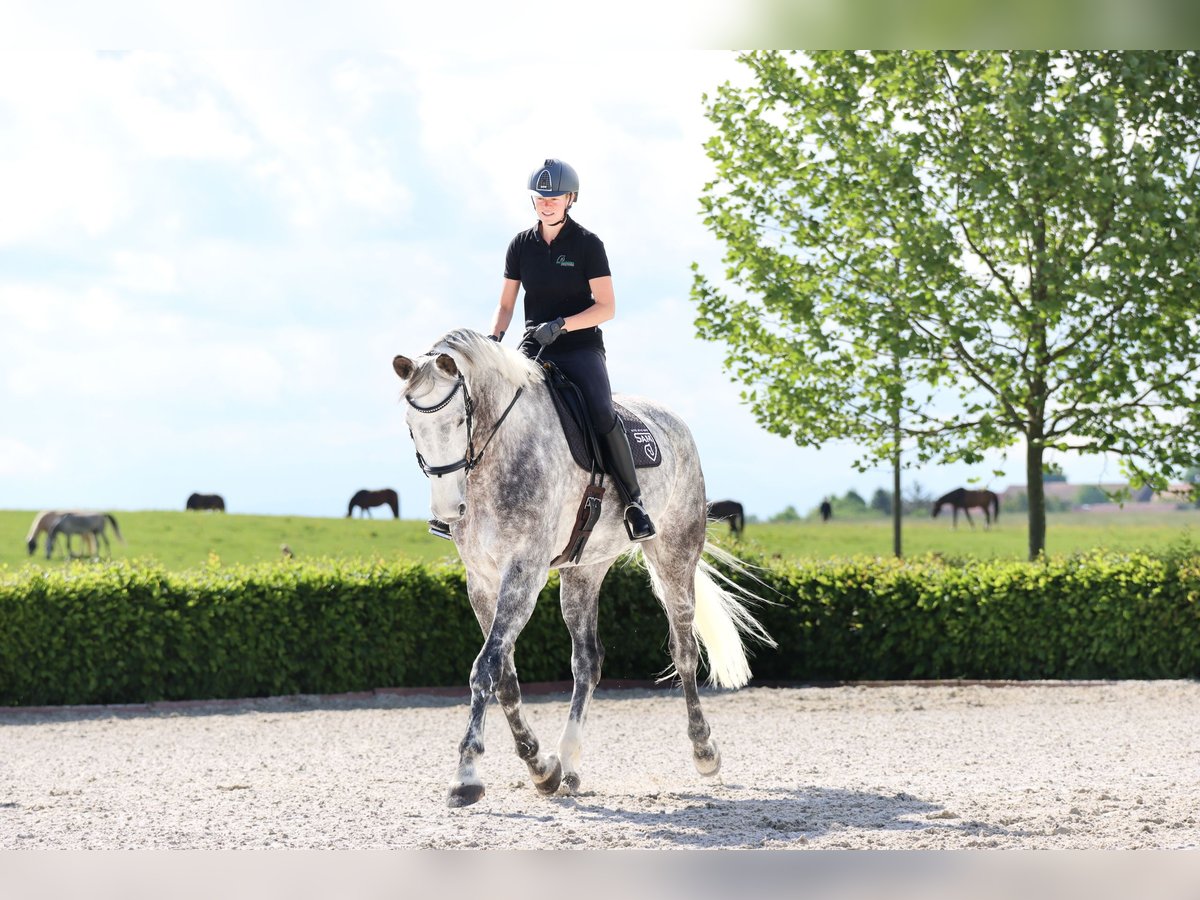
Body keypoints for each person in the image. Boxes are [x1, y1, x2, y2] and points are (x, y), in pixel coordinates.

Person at [429, 158, 655, 543]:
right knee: (485, 407)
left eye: (554, 197)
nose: (547, 203)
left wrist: (563, 324)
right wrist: (494, 341)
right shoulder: (520, 245)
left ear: (571, 199)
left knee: (601, 412)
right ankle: (455, 509)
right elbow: (505, 305)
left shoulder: (588, 245)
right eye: (540, 197)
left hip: (580, 348)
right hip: (533, 347)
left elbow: (607, 307)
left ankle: (634, 504)